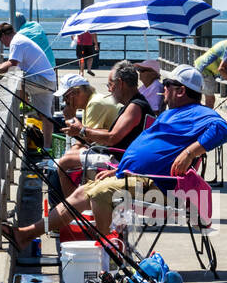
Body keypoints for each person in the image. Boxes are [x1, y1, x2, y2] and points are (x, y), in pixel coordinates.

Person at [3, 65, 227, 249]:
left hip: (159, 187)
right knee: (83, 192)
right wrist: (119, 168)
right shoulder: (171, 114)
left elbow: (223, 129)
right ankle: (26, 234)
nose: (163, 89)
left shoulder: (201, 113)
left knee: (101, 195)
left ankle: (107, 257)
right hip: (133, 176)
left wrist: (189, 152)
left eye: (167, 85)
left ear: (180, 90)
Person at [53, 60, 153, 195]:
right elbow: (112, 133)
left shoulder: (135, 107)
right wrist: (83, 130)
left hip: (119, 160)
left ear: (121, 84)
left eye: (110, 85)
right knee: (69, 158)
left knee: (64, 163)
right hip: (121, 155)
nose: (109, 89)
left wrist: (82, 130)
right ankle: (75, 203)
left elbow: (112, 138)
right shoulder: (135, 104)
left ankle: (73, 208)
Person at [0, 21, 58, 146]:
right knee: (46, 117)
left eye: (2, 41)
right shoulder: (21, 39)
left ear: (4, 36)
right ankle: (47, 148)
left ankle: (22, 104)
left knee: (13, 76)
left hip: (41, 81)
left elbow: (12, 65)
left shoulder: (16, 42)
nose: (4, 45)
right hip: (49, 81)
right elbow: (12, 64)